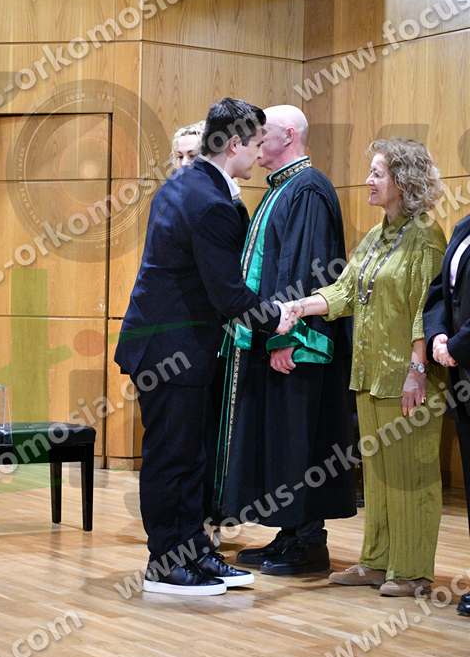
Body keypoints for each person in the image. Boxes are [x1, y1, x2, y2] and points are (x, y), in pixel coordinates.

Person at [114, 97, 299, 596]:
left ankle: (192, 551)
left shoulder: (187, 185)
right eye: (256, 143)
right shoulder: (211, 201)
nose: (259, 153)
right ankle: (165, 564)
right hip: (170, 348)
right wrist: (278, 317)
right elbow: (228, 295)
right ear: (235, 144)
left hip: (173, 346)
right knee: (173, 458)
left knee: (190, 457)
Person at [296, 138, 446, 597]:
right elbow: (344, 292)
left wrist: (417, 370)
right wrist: (299, 307)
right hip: (370, 374)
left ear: (403, 181)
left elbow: (428, 308)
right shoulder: (376, 235)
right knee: (379, 477)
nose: (368, 181)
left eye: (377, 173)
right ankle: (377, 562)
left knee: (411, 476)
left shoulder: (426, 236)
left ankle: (413, 571)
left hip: (409, 378)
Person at [212, 105, 356, 576]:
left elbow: (305, 267)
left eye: (263, 132)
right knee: (282, 442)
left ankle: (308, 541)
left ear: (289, 135)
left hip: (297, 344)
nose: (255, 140)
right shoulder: (282, 188)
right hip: (275, 338)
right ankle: (290, 534)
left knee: (299, 441)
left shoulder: (308, 188)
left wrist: (285, 339)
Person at [424, 213, 470, 616]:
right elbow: (440, 291)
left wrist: (457, 345)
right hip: (462, 374)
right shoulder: (463, 227)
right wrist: (438, 335)